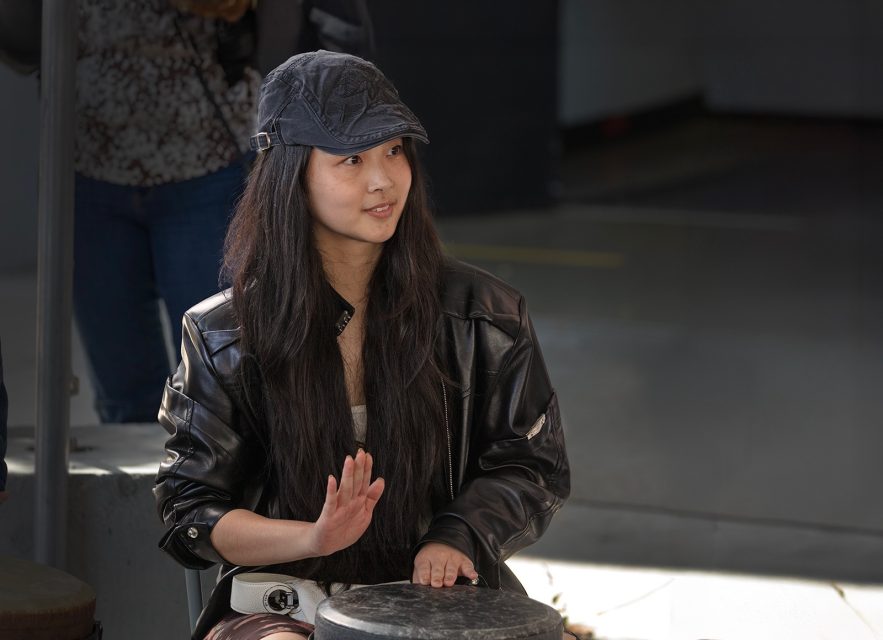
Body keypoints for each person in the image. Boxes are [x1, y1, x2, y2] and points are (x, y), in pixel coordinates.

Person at [154, 50, 570, 640]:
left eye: (393, 151)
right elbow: (191, 510)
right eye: (351, 158)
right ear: (291, 175)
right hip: (283, 601)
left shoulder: (486, 315)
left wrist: (458, 534)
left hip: (436, 595)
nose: (383, 180)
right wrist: (314, 538)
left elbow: (531, 464)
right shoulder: (224, 333)